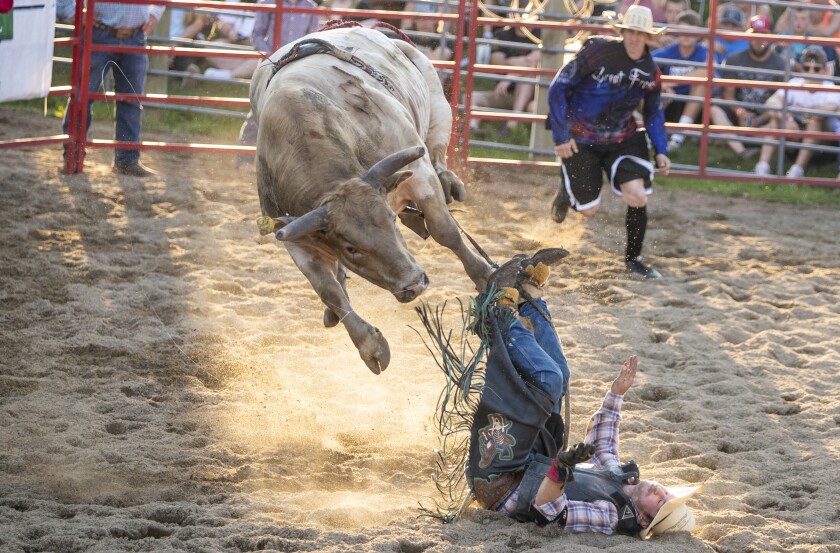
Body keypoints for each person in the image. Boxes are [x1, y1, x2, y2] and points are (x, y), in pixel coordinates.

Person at [466, 251, 703, 537]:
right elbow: (604, 445)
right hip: (530, 463)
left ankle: (498, 312)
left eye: (661, 504)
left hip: (502, 483)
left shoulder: (611, 517)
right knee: (562, 374)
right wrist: (616, 394)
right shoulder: (622, 479)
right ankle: (529, 296)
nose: (660, 492)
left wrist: (563, 468)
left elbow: (548, 510)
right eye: (668, 494)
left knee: (549, 379)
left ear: (643, 520)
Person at [547, 5, 670, 280]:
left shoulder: (650, 71)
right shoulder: (596, 53)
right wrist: (561, 135)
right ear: (622, 32)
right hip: (581, 138)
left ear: (648, 36)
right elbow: (558, 88)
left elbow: (653, 112)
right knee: (589, 210)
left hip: (623, 138)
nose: (634, 38)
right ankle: (567, 191)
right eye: (630, 31)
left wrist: (661, 149)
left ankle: (634, 259)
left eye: (640, 33)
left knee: (637, 195)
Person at [62, 1, 164, 177]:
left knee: (131, 100)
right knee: (82, 98)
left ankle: (127, 160)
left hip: (135, 35)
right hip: (99, 32)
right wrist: (72, 12)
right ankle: (73, 157)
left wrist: (155, 12)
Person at [235, 0, 321, 169]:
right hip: (271, 64)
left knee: (298, 111)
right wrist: (272, 56)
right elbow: (257, 35)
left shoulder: (310, 8)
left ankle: (289, 163)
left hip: (297, 66)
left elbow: (313, 38)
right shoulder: (268, 3)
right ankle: (245, 157)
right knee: (259, 109)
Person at [754, 46, 840, 178]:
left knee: (815, 120)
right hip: (794, 137)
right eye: (806, 68)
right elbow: (771, 102)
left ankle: (796, 171)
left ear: (825, 70)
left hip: (822, 146)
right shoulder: (795, 83)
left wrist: (798, 117)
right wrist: (787, 118)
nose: (811, 72)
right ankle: (762, 167)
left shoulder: (831, 88)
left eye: (816, 69)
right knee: (775, 117)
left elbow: (829, 108)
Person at [708, 15, 787, 156]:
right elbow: (728, 94)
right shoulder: (734, 60)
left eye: (763, 34)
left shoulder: (781, 64)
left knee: (780, 118)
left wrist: (760, 119)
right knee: (714, 108)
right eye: (755, 34)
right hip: (738, 112)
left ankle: (739, 139)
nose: (759, 39)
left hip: (766, 115)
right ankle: (743, 151)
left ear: (770, 36)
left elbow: (781, 100)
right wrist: (740, 112)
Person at [469, 25, 541, 140]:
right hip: (505, 93)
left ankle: (512, 124)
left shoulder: (540, 34)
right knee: (472, 97)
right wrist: (517, 63)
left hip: (531, 97)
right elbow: (497, 61)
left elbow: (533, 61)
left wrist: (511, 76)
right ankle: (472, 128)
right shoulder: (502, 34)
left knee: (528, 75)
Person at [652, 10, 711, 150]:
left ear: (698, 34)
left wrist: (669, 82)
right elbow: (647, 64)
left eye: (692, 32)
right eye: (683, 31)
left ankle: (678, 137)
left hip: (693, 104)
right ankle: (651, 135)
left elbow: (709, 70)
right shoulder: (669, 51)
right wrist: (664, 86)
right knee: (659, 91)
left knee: (701, 86)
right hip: (670, 100)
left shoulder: (702, 51)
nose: (687, 36)